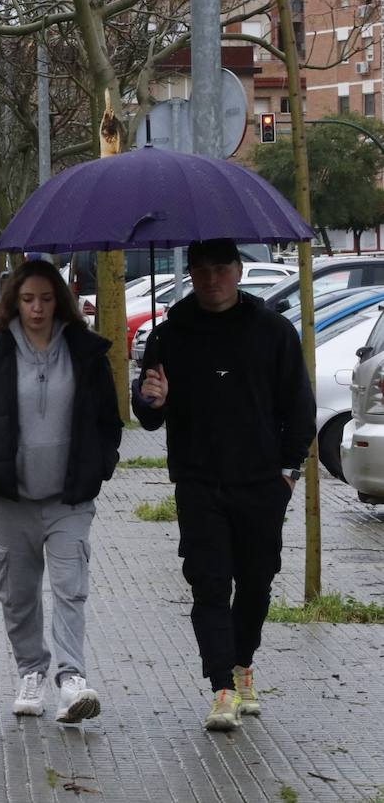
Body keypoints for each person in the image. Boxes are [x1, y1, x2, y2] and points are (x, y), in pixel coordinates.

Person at [133, 237, 314, 732]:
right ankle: (222, 688)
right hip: (198, 481)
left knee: (256, 582)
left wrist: (288, 471)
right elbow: (148, 417)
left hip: (261, 482)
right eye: (202, 270)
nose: (212, 279)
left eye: (221, 268)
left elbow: (298, 406)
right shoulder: (169, 336)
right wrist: (152, 399)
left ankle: (243, 663)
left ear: (238, 271)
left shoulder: (273, 331)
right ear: (190, 274)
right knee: (209, 583)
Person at [0, 260, 123, 725]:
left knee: (71, 589)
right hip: (12, 499)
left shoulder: (85, 353)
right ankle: (31, 670)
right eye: (28, 299)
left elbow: (109, 421)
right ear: (14, 301)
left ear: (60, 301)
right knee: (18, 593)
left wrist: (99, 467)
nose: (37, 309)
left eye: (46, 299)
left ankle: (71, 681)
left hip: (70, 498)